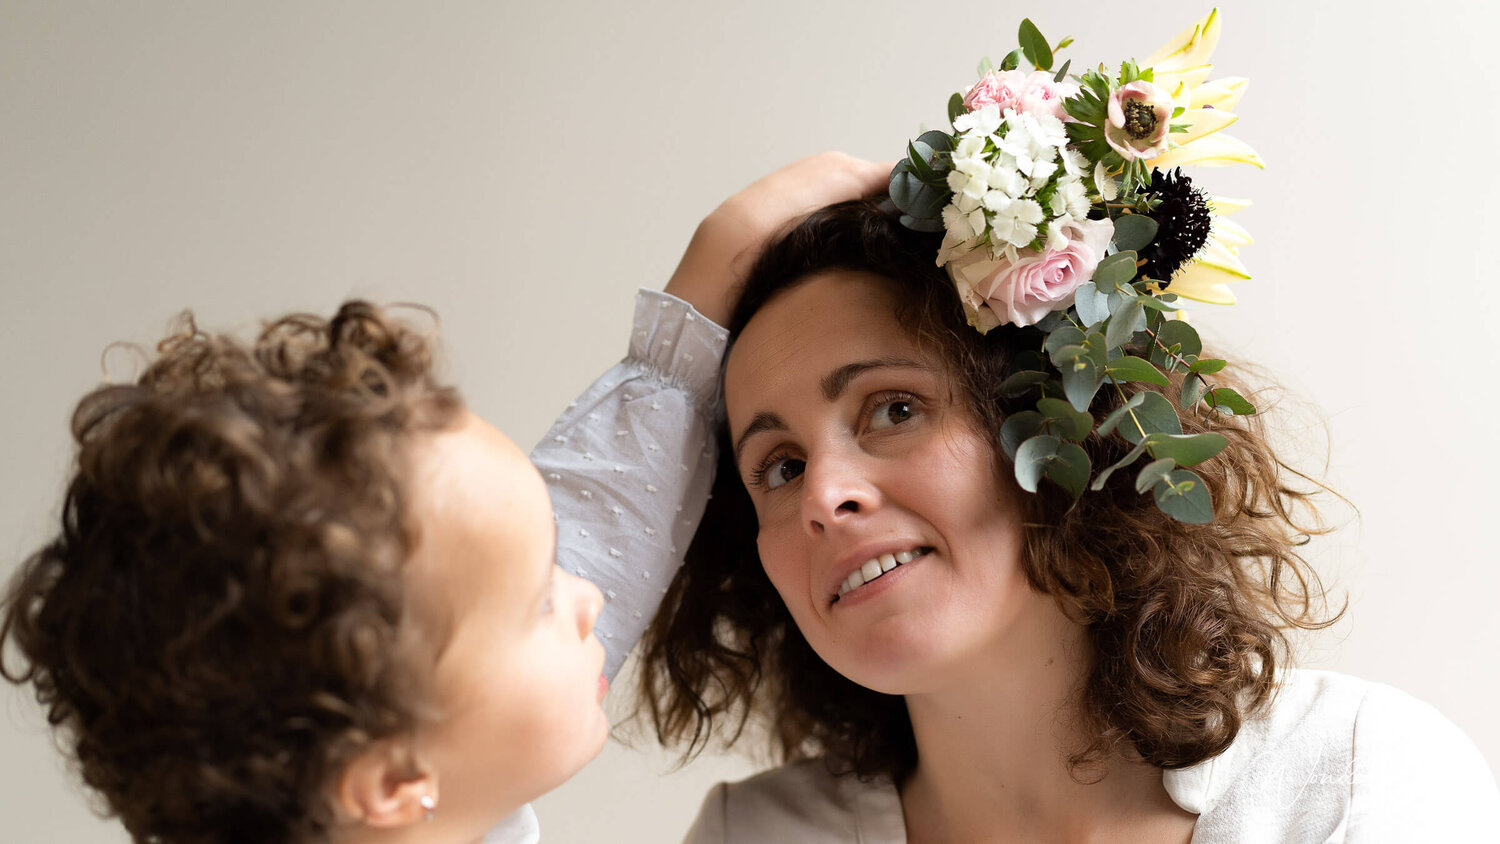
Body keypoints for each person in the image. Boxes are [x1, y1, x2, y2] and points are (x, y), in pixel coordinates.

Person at [0, 154, 889, 844]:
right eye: (541, 598)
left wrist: (724, 255)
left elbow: (603, 505)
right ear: (391, 779)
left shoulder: (400, 782)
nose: (588, 594)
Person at [636, 199, 1500, 842]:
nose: (824, 495)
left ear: (1059, 425)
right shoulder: (755, 836)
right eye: (778, 468)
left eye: (893, 409)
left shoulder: (1357, 782)